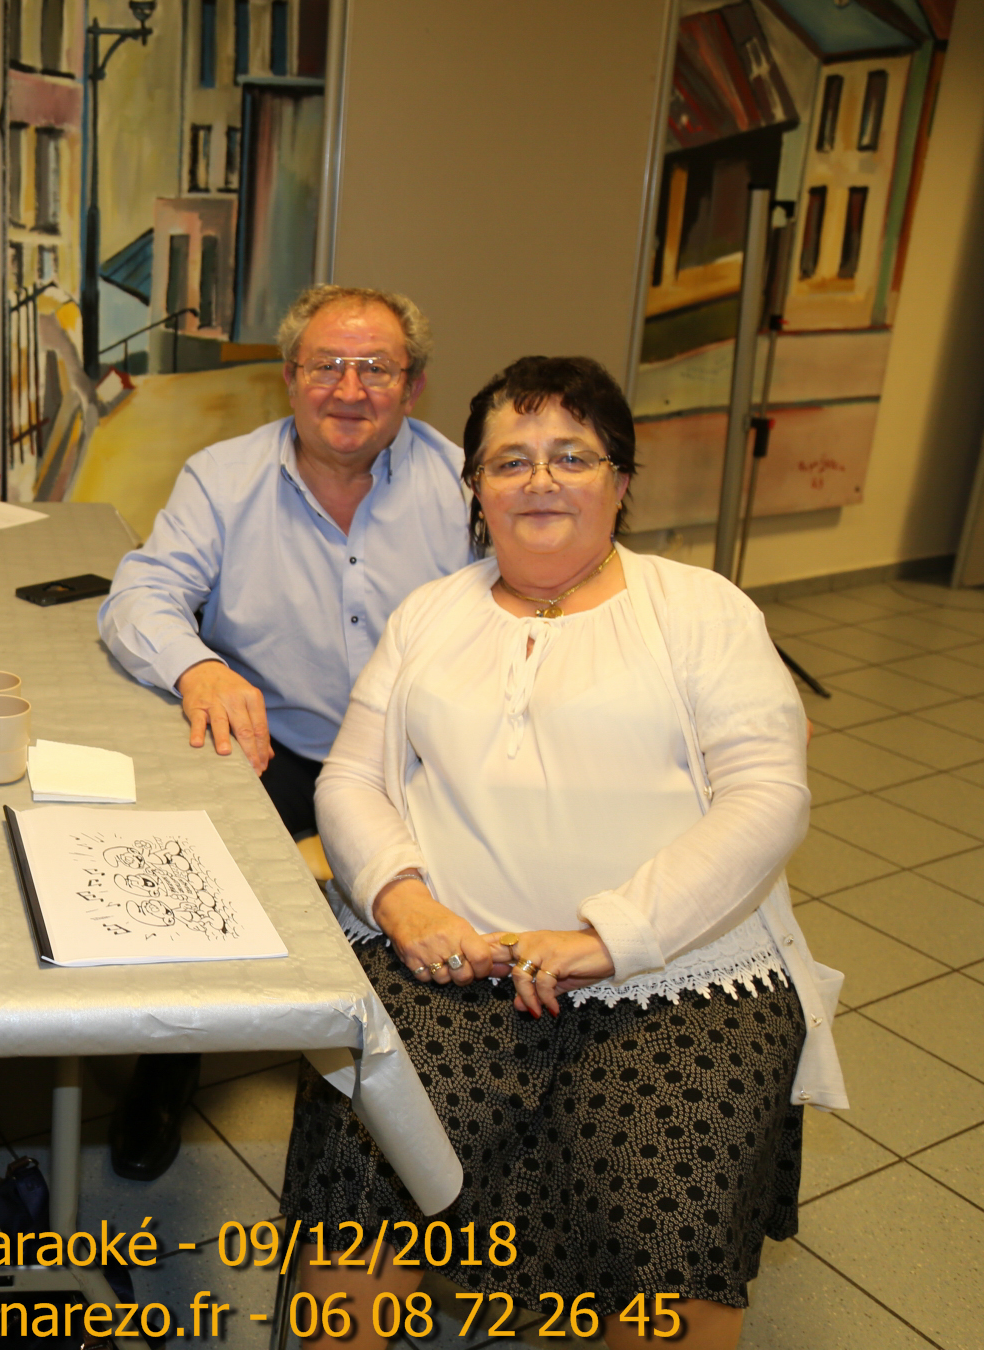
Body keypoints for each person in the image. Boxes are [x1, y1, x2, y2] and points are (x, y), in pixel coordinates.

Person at [280, 356, 844, 1350]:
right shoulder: (429, 615)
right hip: (450, 964)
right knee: (357, 1191)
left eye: (572, 456)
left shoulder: (703, 610)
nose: (539, 480)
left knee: (668, 1229)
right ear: (476, 489)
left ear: (620, 482)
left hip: (677, 980)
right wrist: (405, 903)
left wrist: (610, 937)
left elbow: (768, 799)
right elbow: (351, 779)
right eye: (510, 460)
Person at [94, 285, 472, 1180]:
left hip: (415, 753)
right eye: (326, 365)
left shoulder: (465, 484)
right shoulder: (222, 477)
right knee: (182, 877)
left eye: (375, 368)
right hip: (280, 743)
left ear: (413, 385)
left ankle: (437, 1071)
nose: (349, 389)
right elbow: (138, 596)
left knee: (453, 901)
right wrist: (200, 667)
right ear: (289, 378)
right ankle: (167, 1062)